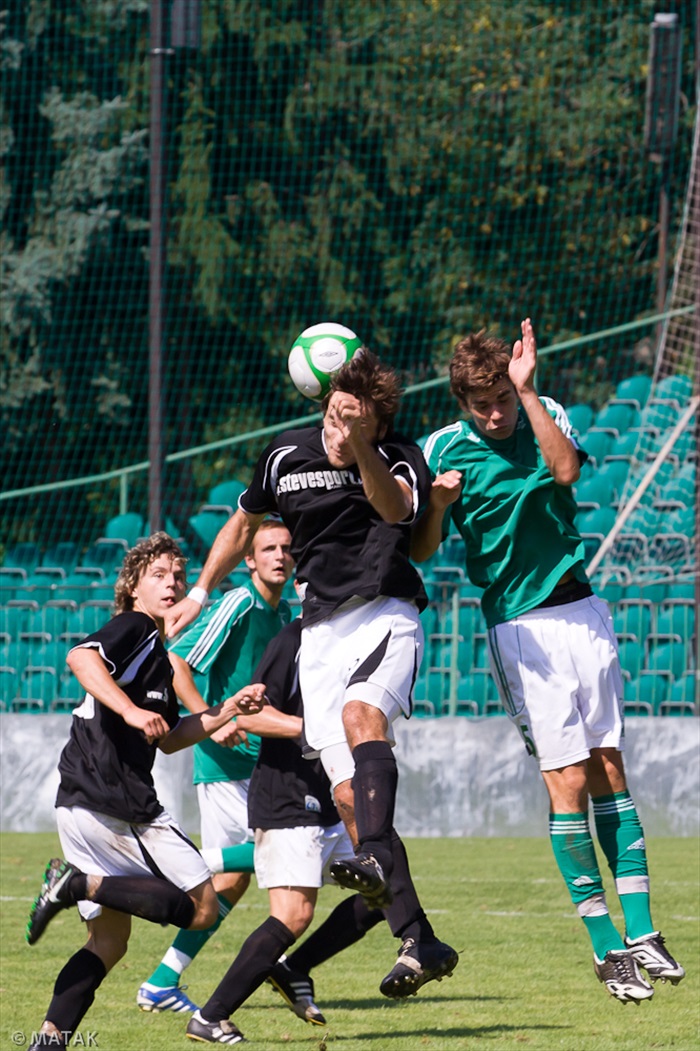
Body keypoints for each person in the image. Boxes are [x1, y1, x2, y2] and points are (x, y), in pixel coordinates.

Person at [166, 349, 458, 996]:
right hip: (320, 633)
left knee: (363, 718)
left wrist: (363, 448)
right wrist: (201, 590)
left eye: (352, 421)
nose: (336, 430)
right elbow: (244, 523)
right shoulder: (283, 456)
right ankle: (418, 936)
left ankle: (379, 865)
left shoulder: (400, 457)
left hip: (386, 611)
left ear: (378, 427)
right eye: (331, 416)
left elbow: (394, 512)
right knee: (351, 797)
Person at [413, 318, 686, 1004]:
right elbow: (418, 549)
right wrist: (439, 507)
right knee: (565, 781)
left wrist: (529, 392)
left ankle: (644, 930)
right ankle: (606, 948)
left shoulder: (542, 409)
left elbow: (566, 471)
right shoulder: (440, 450)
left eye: (504, 398)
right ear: (463, 405)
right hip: (521, 628)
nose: (499, 413)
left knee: (609, 770)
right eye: (487, 405)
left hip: (583, 610)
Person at [24, 533, 266, 1051]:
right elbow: (80, 659)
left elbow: (172, 738)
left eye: (179, 575)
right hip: (116, 802)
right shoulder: (134, 628)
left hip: (81, 799)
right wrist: (131, 711)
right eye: (159, 575)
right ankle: (76, 885)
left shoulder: (157, 652)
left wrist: (224, 710)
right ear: (133, 588)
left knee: (108, 943)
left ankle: (48, 1039)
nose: (173, 582)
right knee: (202, 907)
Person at [186, 616, 385, 1043]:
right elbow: (249, 719)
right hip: (287, 798)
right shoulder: (293, 638)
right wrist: (320, 734)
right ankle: (210, 1015)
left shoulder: (362, 638)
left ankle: (294, 967)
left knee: (381, 888)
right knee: (293, 915)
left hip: (333, 797)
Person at [136, 520, 294, 1013]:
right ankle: (147, 869)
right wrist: (214, 717)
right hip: (225, 762)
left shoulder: (284, 609)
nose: (279, 556)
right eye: (267, 548)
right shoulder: (239, 603)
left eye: (287, 548)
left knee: (234, 880)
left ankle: (162, 982)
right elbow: (177, 662)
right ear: (248, 560)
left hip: (256, 761)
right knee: (278, 857)